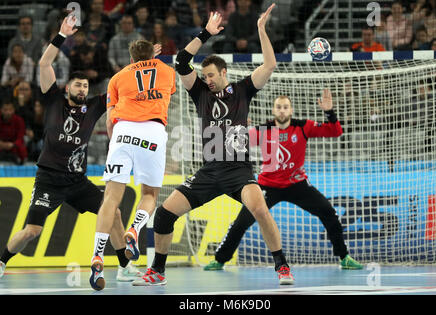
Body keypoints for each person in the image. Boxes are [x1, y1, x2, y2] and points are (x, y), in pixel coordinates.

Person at [133, 4, 295, 287]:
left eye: (210, 75)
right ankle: (157, 271)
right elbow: (182, 61)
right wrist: (205, 33)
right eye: (204, 76)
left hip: (238, 171)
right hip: (209, 172)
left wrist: (260, 30)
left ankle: (282, 266)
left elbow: (270, 64)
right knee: (163, 214)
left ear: (223, 72)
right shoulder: (199, 94)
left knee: (259, 208)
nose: (206, 80)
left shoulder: (243, 90)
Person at [0, 15, 141, 283]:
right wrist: (62, 35)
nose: (82, 88)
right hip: (49, 180)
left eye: (85, 86)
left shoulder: (95, 107)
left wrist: (142, 64)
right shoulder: (54, 100)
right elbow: (44, 63)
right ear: (67, 88)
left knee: (114, 213)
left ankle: (124, 267)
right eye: (78, 85)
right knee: (32, 230)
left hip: (77, 181)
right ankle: (2, 261)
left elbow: (121, 82)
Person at [204, 94, 364, 271]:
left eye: (285, 107)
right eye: (278, 107)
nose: (282, 110)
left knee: (329, 212)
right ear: (273, 110)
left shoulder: (304, 127)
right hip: (267, 186)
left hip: (297, 184)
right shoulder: (263, 130)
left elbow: (335, 131)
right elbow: (232, 144)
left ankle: (344, 257)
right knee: (241, 222)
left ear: (291, 110)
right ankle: (220, 260)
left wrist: (329, 113)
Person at [89, 39, 175, 291]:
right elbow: (163, 84)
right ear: (153, 55)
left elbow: (108, 122)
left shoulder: (116, 78)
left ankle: (97, 253)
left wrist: (117, 140)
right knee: (149, 194)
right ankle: (135, 229)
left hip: (122, 131)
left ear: (130, 58)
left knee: (110, 199)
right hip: (153, 131)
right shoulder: (166, 71)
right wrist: (154, 60)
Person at [0, 100, 27, 165]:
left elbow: (20, 137)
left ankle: (20, 163)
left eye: (10, 109)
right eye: (5, 110)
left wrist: (13, 144)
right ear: (1, 110)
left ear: (14, 110)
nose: (8, 112)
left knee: (21, 147)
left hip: (14, 146)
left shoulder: (19, 120)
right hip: (0, 145)